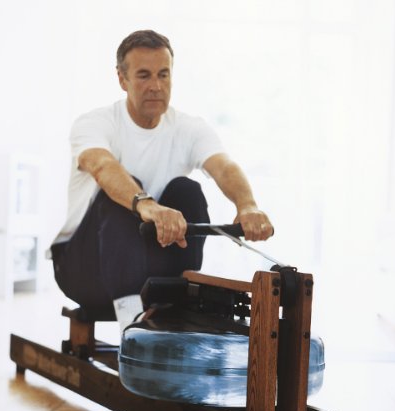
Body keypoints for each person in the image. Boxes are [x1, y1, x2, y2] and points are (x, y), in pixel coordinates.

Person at [51, 29, 273, 331]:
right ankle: (132, 327)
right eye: (143, 76)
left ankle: (180, 304)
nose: (155, 86)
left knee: (187, 191)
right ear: (122, 79)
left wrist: (247, 205)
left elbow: (223, 166)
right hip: (84, 268)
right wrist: (147, 205)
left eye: (163, 75)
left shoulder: (188, 127)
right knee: (120, 196)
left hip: (147, 268)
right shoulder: (95, 123)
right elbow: (102, 166)